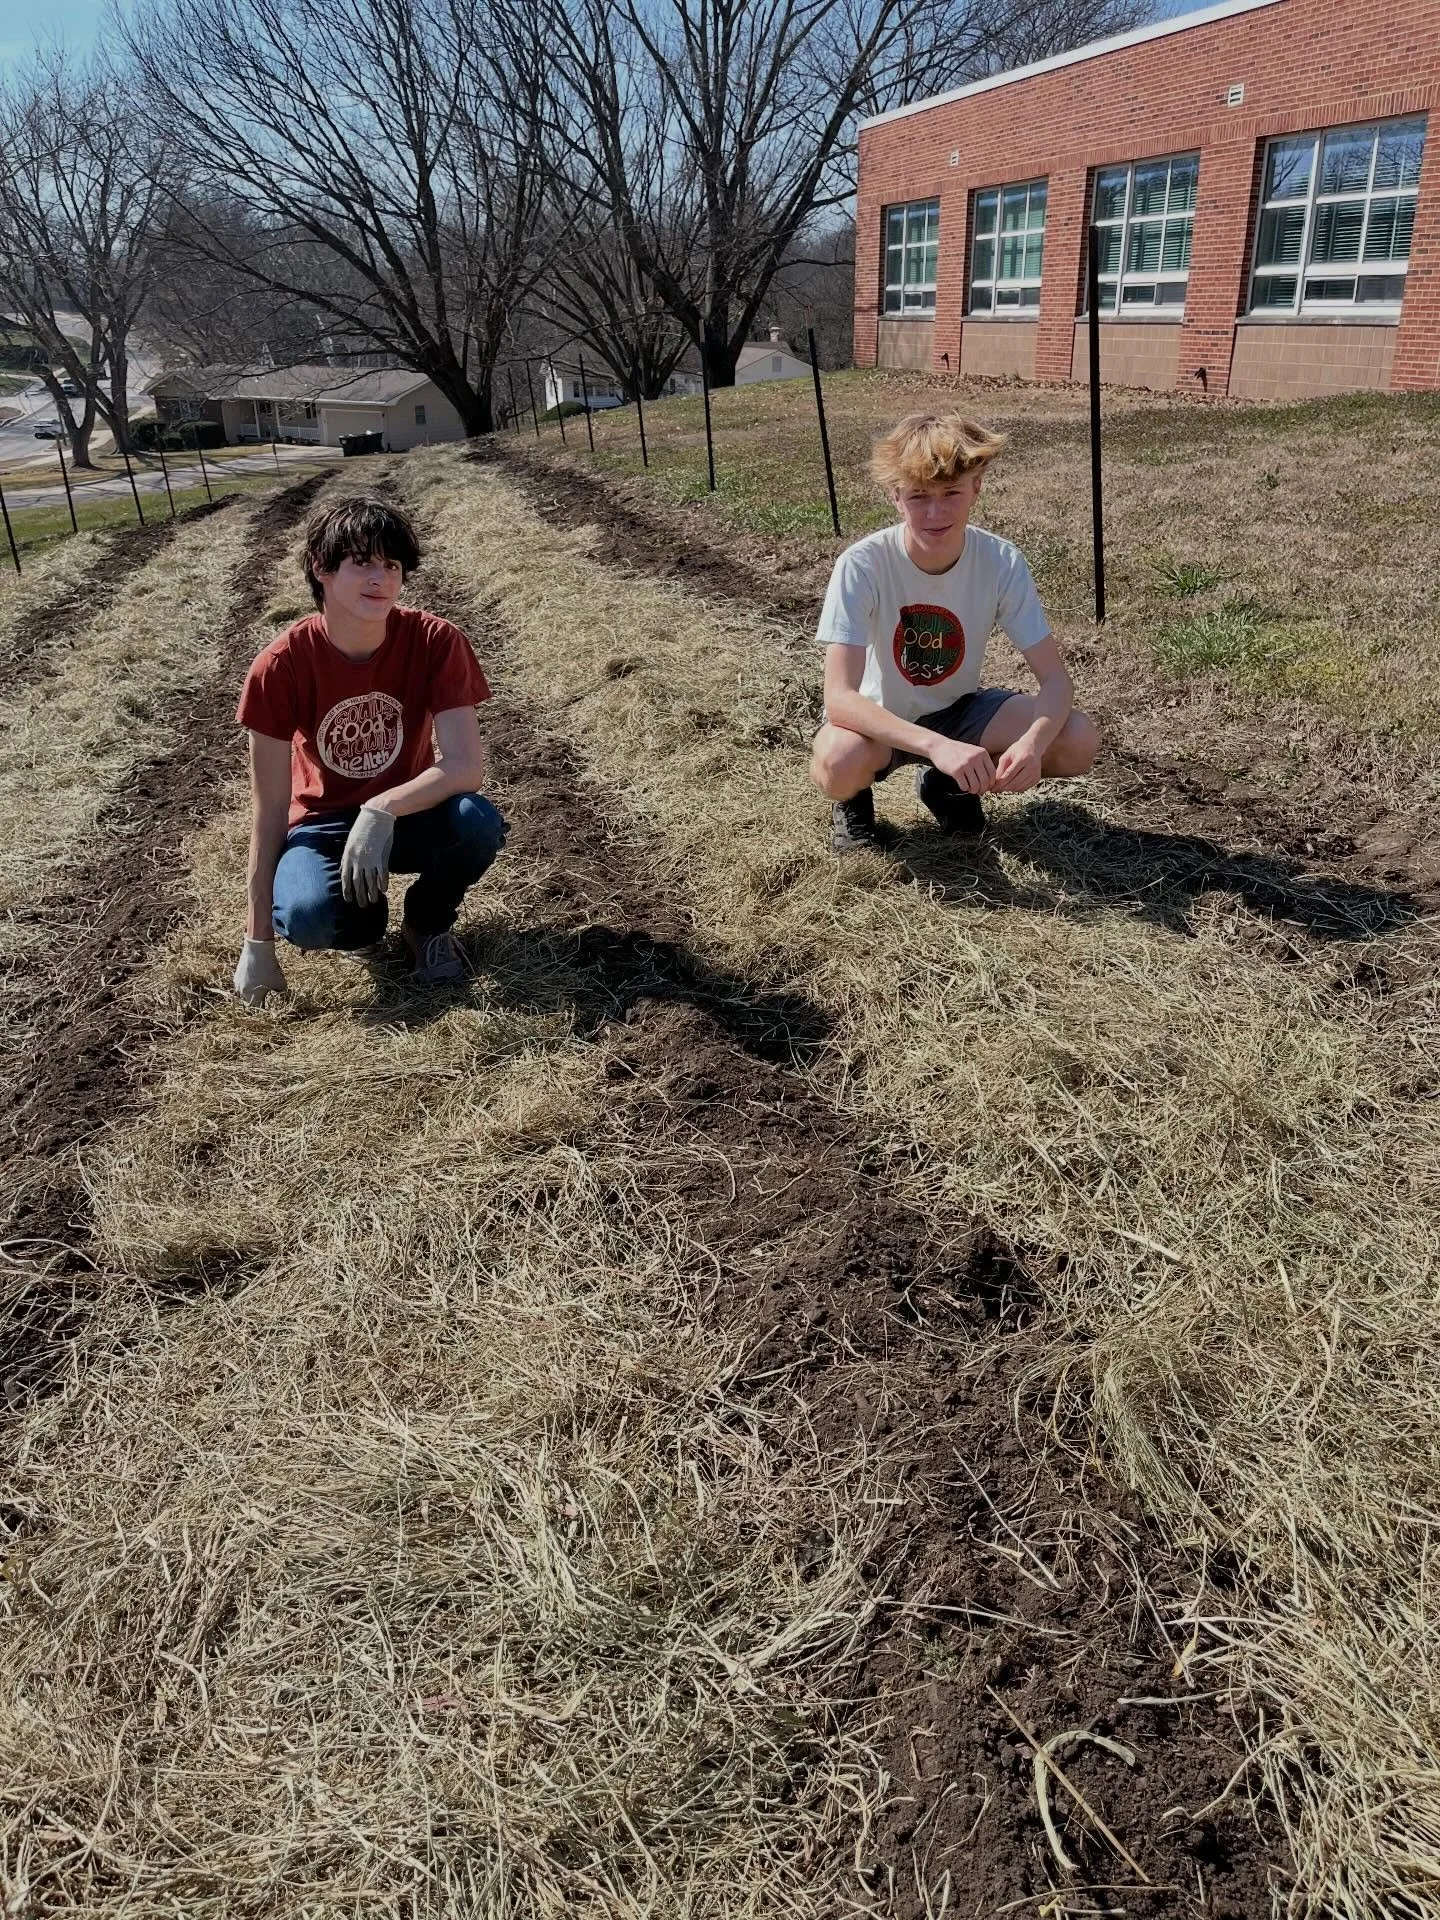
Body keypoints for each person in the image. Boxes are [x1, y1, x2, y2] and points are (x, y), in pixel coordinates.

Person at [232, 496, 506, 1003]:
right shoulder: (279, 666)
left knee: (477, 822)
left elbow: (466, 766)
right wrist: (257, 943)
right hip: (322, 824)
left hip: (411, 811)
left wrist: (382, 808)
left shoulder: (436, 640)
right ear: (322, 569)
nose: (380, 579)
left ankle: (426, 924)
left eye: (392, 565)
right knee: (312, 917)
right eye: (363, 563)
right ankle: (362, 918)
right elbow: (269, 811)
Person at [809, 411, 1099, 852]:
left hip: (957, 709)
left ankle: (946, 786)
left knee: (1077, 740)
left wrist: (1033, 747)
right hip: (876, 720)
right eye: (919, 495)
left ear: (976, 489)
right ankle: (854, 803)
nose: (935, 512)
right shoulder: (862, 564)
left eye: (951, 493)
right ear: (894, 495)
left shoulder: (1000, 561)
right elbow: (840, 698)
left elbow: (1056, 680)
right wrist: (936, 745)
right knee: (836, 761)